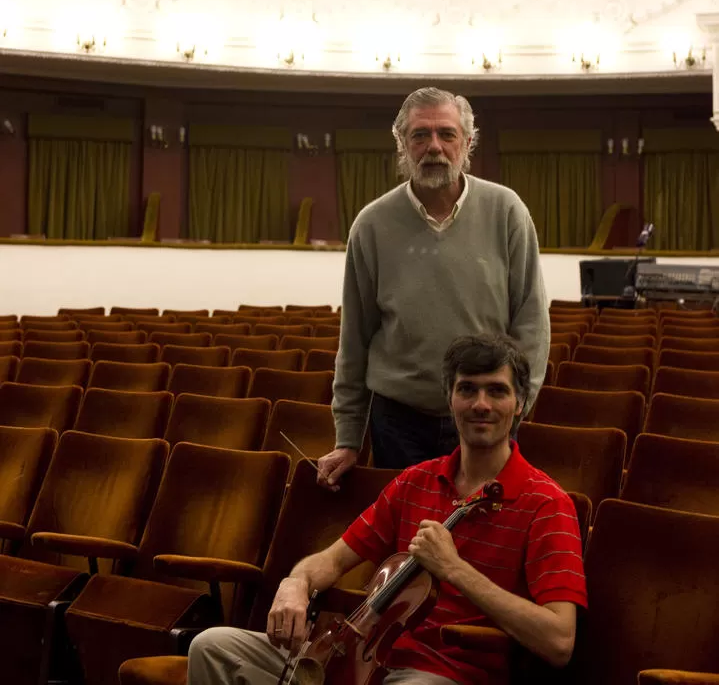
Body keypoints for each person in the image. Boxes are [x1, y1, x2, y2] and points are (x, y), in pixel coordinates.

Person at [187, 336, 587, 685]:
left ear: (520, 404)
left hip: (445, 673)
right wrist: (295, 583)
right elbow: (329, 562)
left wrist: (453, 569)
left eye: (497, 391)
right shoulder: (415, 481)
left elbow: (559, 641)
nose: (481, 404)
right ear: (449, 398)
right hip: (363, 657)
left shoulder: (547, 505)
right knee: (212, 647)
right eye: (467, 389)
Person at [319, 86, 549, 480]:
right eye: (420, 135)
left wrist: (512, 409)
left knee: (479, 536)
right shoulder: (371, 225)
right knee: (408, 539)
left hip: (486, 415)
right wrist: (348, 437)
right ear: (402, 144)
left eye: (447, 134)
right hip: (398, 420)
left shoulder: (507, 210)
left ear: (467, 142)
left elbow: (531, 322)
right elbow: (354, 339)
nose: (434, 147)